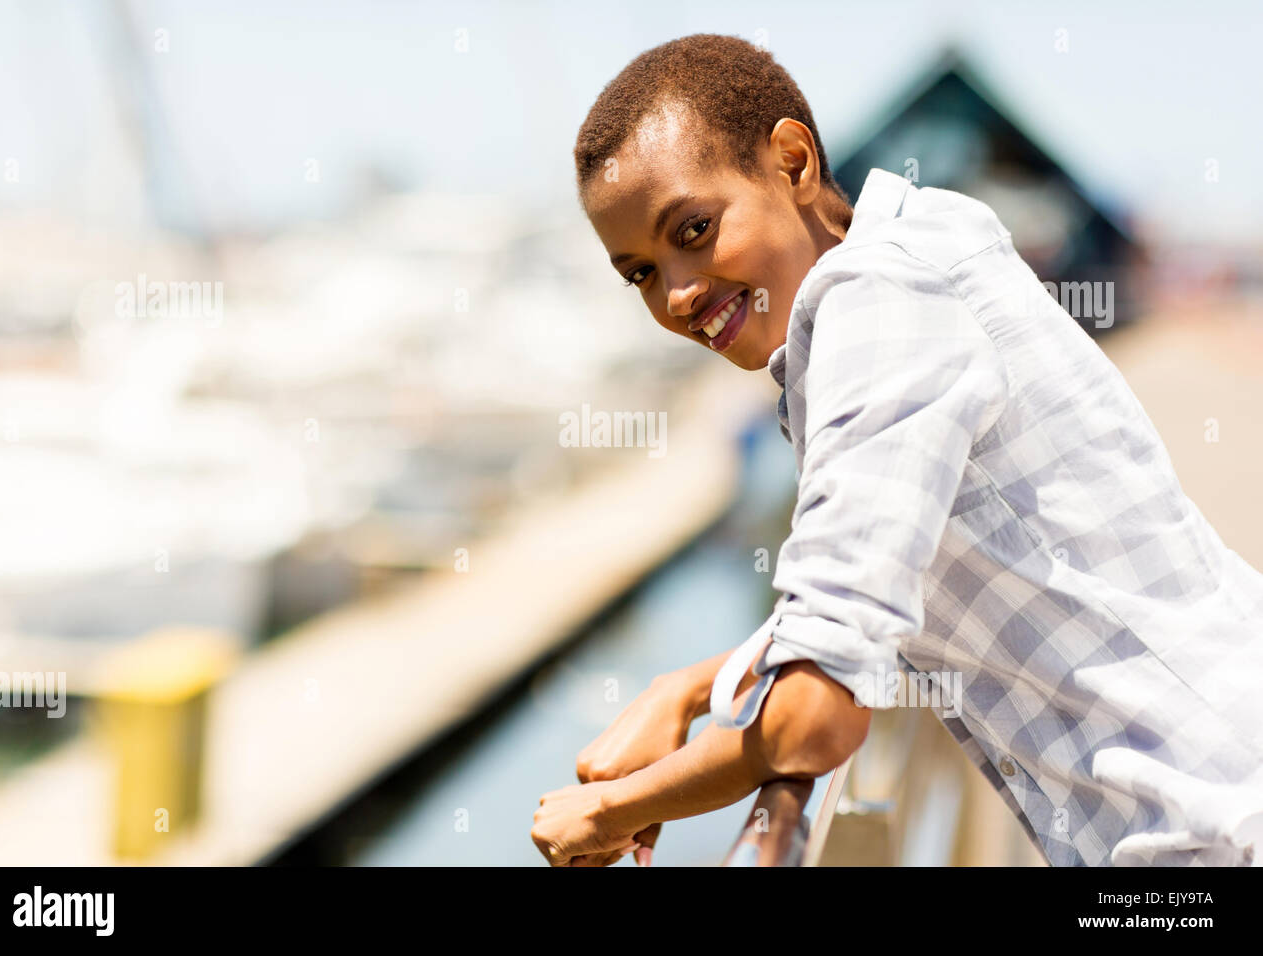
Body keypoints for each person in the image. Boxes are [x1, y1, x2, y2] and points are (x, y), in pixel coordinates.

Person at [531, 33, 1263, 867]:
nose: (679, 294)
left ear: (793, 162)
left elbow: (815, 719)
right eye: (641, 274)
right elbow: (870, 586)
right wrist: (692, 688)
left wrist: (612, 810)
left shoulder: (878, 304)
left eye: (694, 229)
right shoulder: (922, 242)